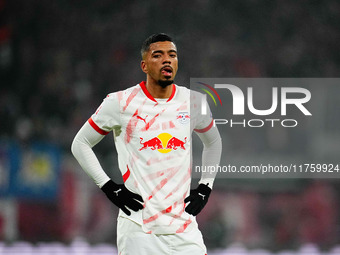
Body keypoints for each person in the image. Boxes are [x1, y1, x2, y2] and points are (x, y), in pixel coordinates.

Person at [71, 33, 222, 255]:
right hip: (139, 230)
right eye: (158, 55)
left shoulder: (194, 102)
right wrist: (109, 187)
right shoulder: (120, 103)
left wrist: (205, 186)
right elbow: (80, 143)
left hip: (184, 228)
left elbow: (214, 142)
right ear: (144, 65)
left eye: (172, 55)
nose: (167, 60)